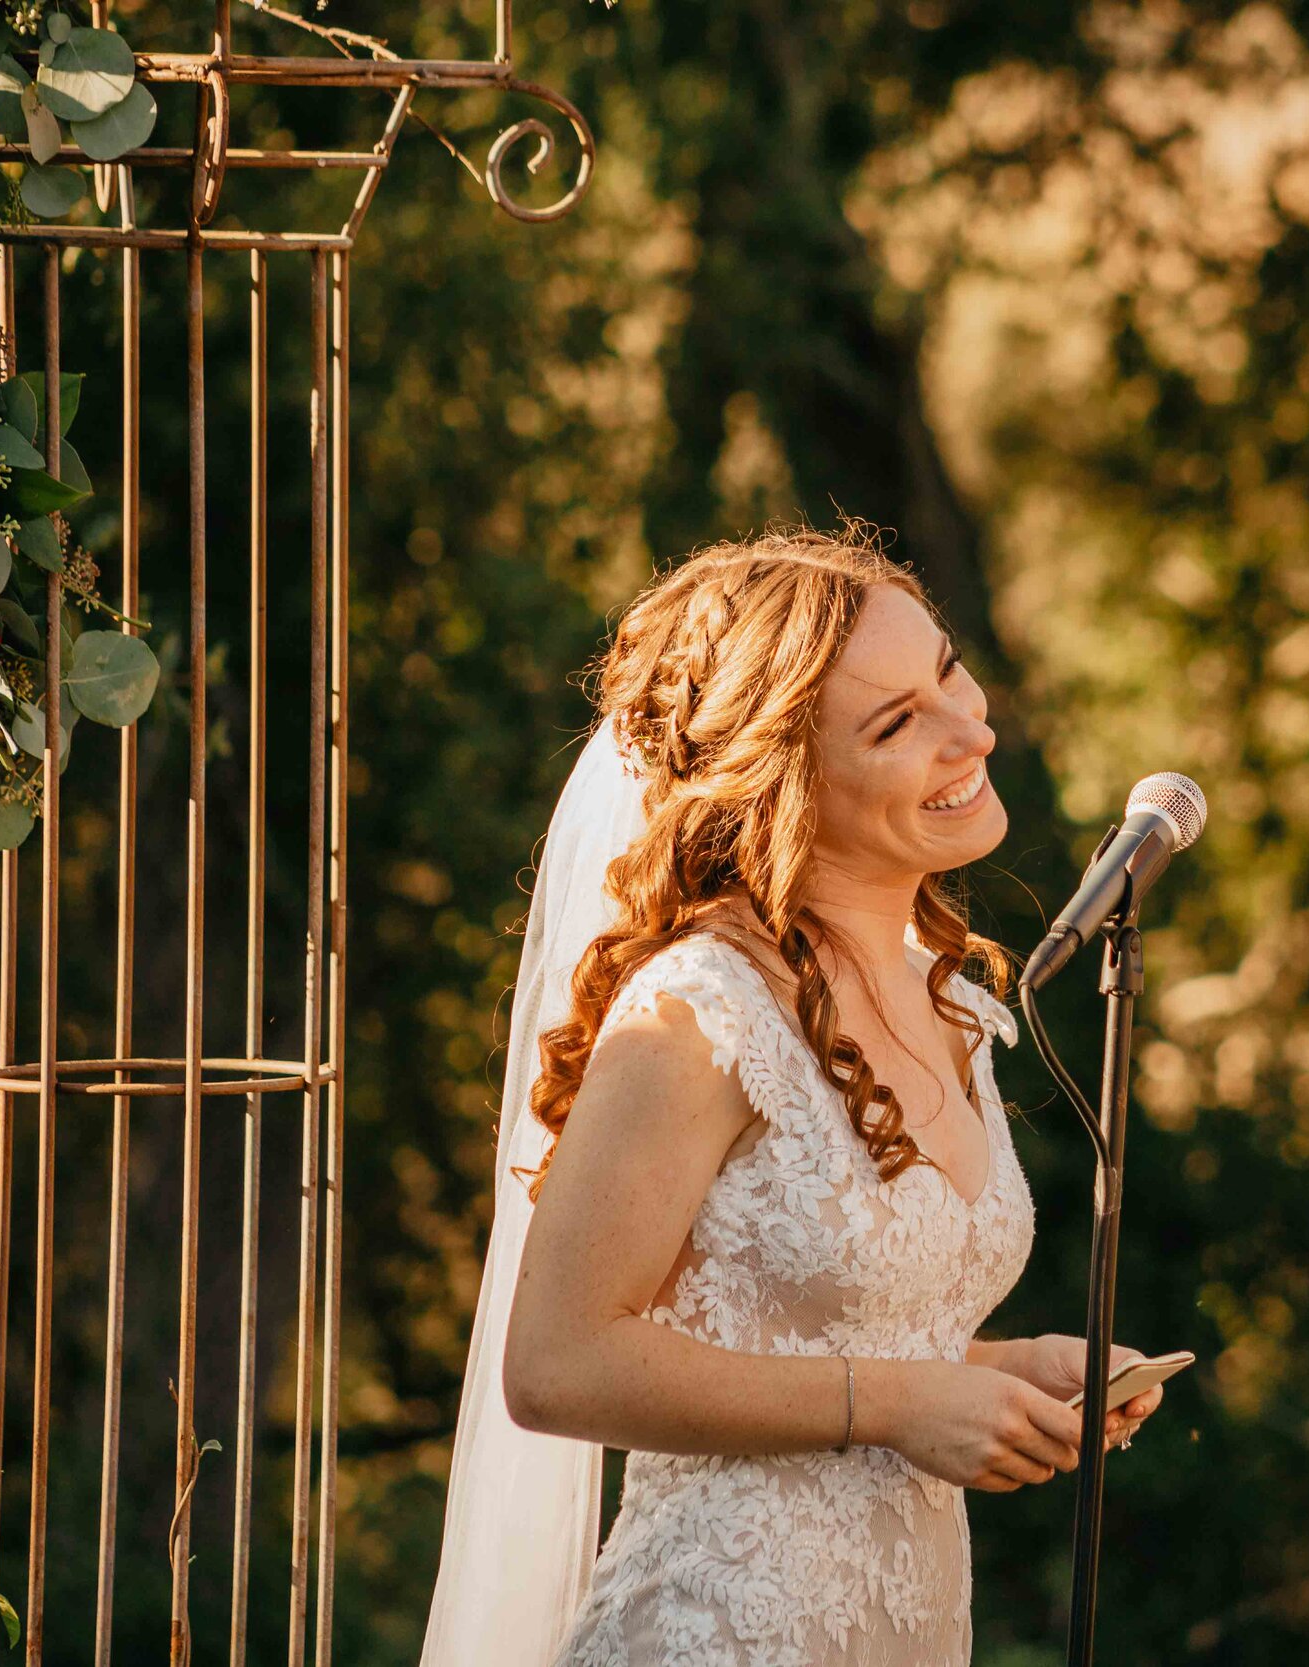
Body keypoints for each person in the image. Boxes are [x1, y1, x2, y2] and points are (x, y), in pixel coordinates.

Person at [419, 527, 1165, 1667]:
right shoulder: (700, 1010)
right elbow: (557, 1361)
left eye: (947, 674)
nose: (971, 730)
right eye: (895, 721)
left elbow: (822, 1333)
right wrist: (899, 1404)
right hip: (715, 1633)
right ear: (786, 778)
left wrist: (999, 1375)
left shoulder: (950, 991)